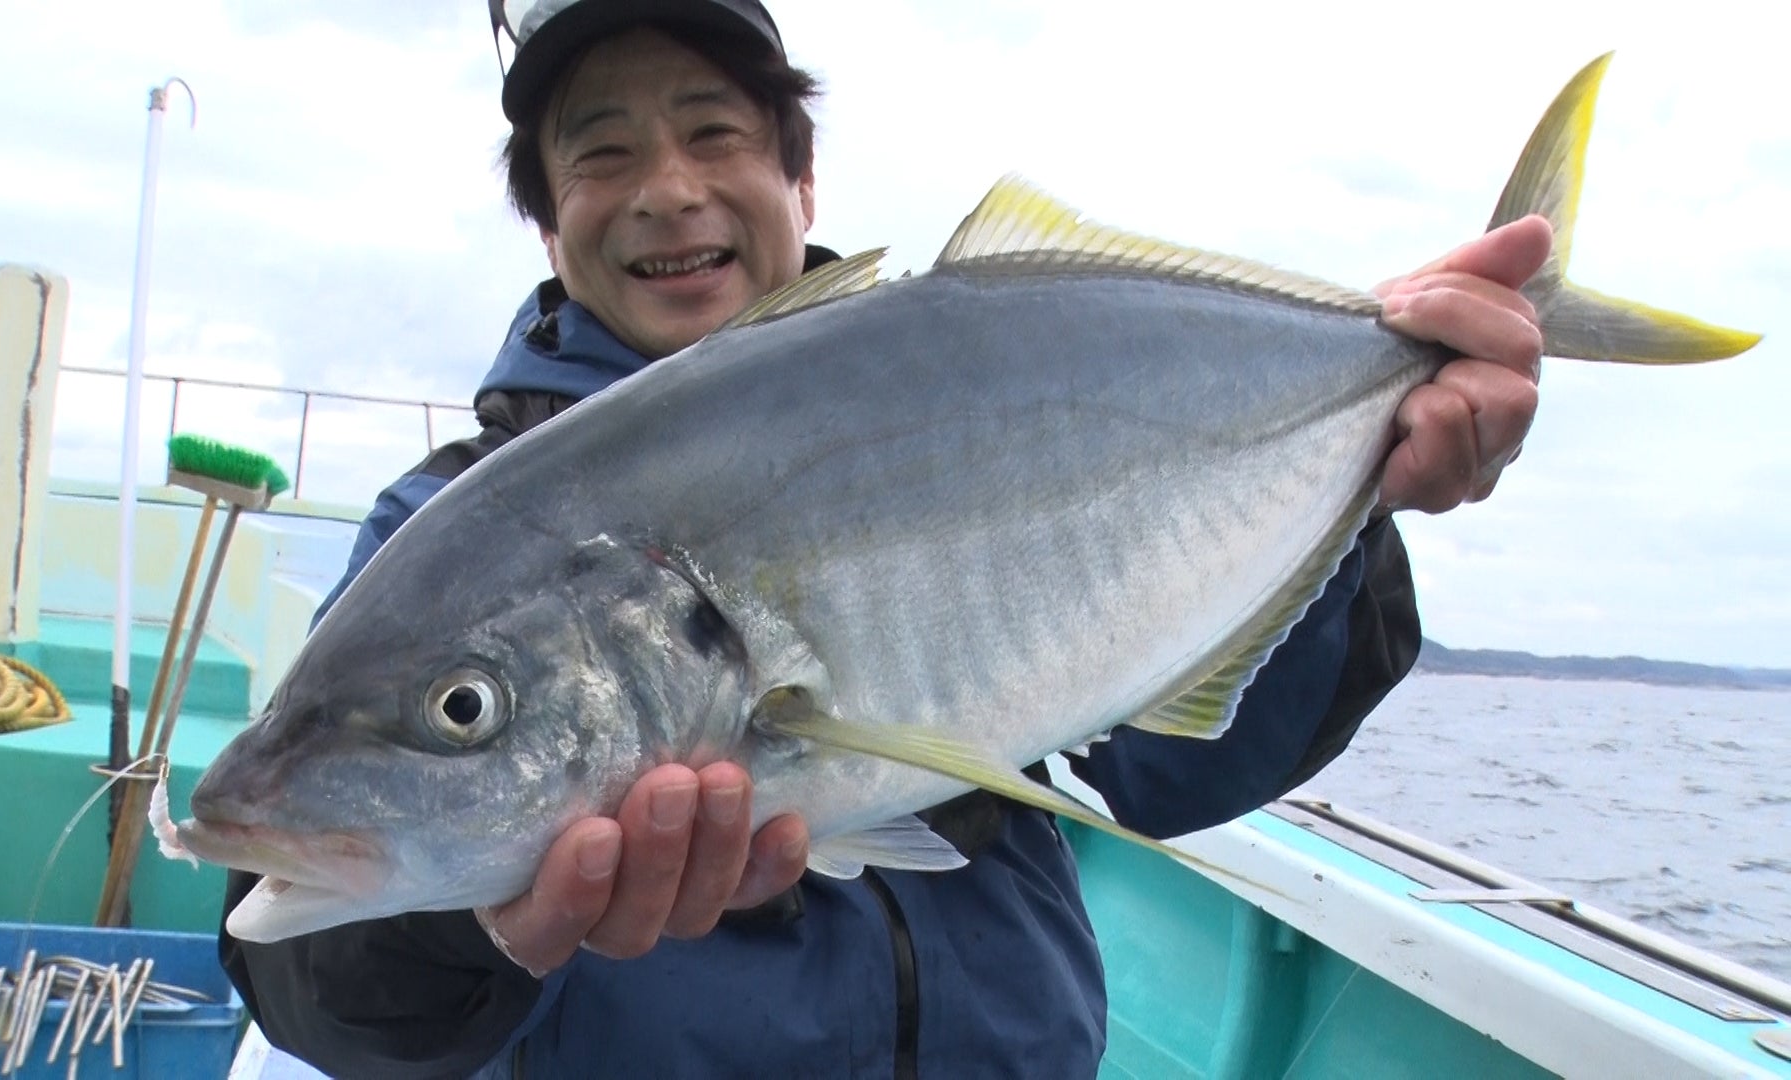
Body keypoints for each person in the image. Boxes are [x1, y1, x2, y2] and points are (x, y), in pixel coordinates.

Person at [220, 2, 1549, 1076]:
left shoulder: (982, 389)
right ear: (550, 223)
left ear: (800, 179)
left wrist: (1361, 495)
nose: (668, 191)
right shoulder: (450, 530)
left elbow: (1179, 772)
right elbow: (311, 988)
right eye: (602, 155)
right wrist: (483, 932)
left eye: (714, 133)